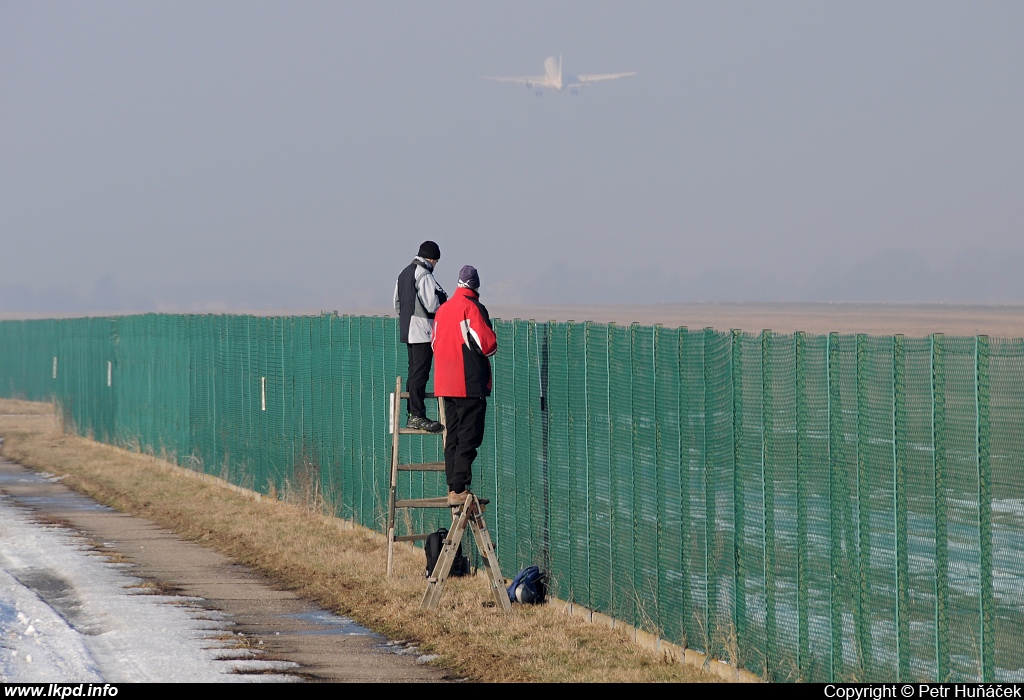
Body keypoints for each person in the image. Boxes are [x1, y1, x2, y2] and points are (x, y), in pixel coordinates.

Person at [431, 265, 497, 506]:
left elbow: (434, 343)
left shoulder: (443, 310)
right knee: (469, 436)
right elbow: (488, 345)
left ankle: (453, 485)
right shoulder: (473, 308)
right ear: (476, 286)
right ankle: (459, 487)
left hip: (445, 383)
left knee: (454, 436)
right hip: (468, 383)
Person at [394, 241, 447, 432]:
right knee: (420, 374)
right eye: (436, 261)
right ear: (432, 258)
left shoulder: (403, 273)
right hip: (422, 331)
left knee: (413, 372)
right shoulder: (424, 274)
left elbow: (397, 303)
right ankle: (417, 415)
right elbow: (432, 304)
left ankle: (412, 414)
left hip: (407, 329)